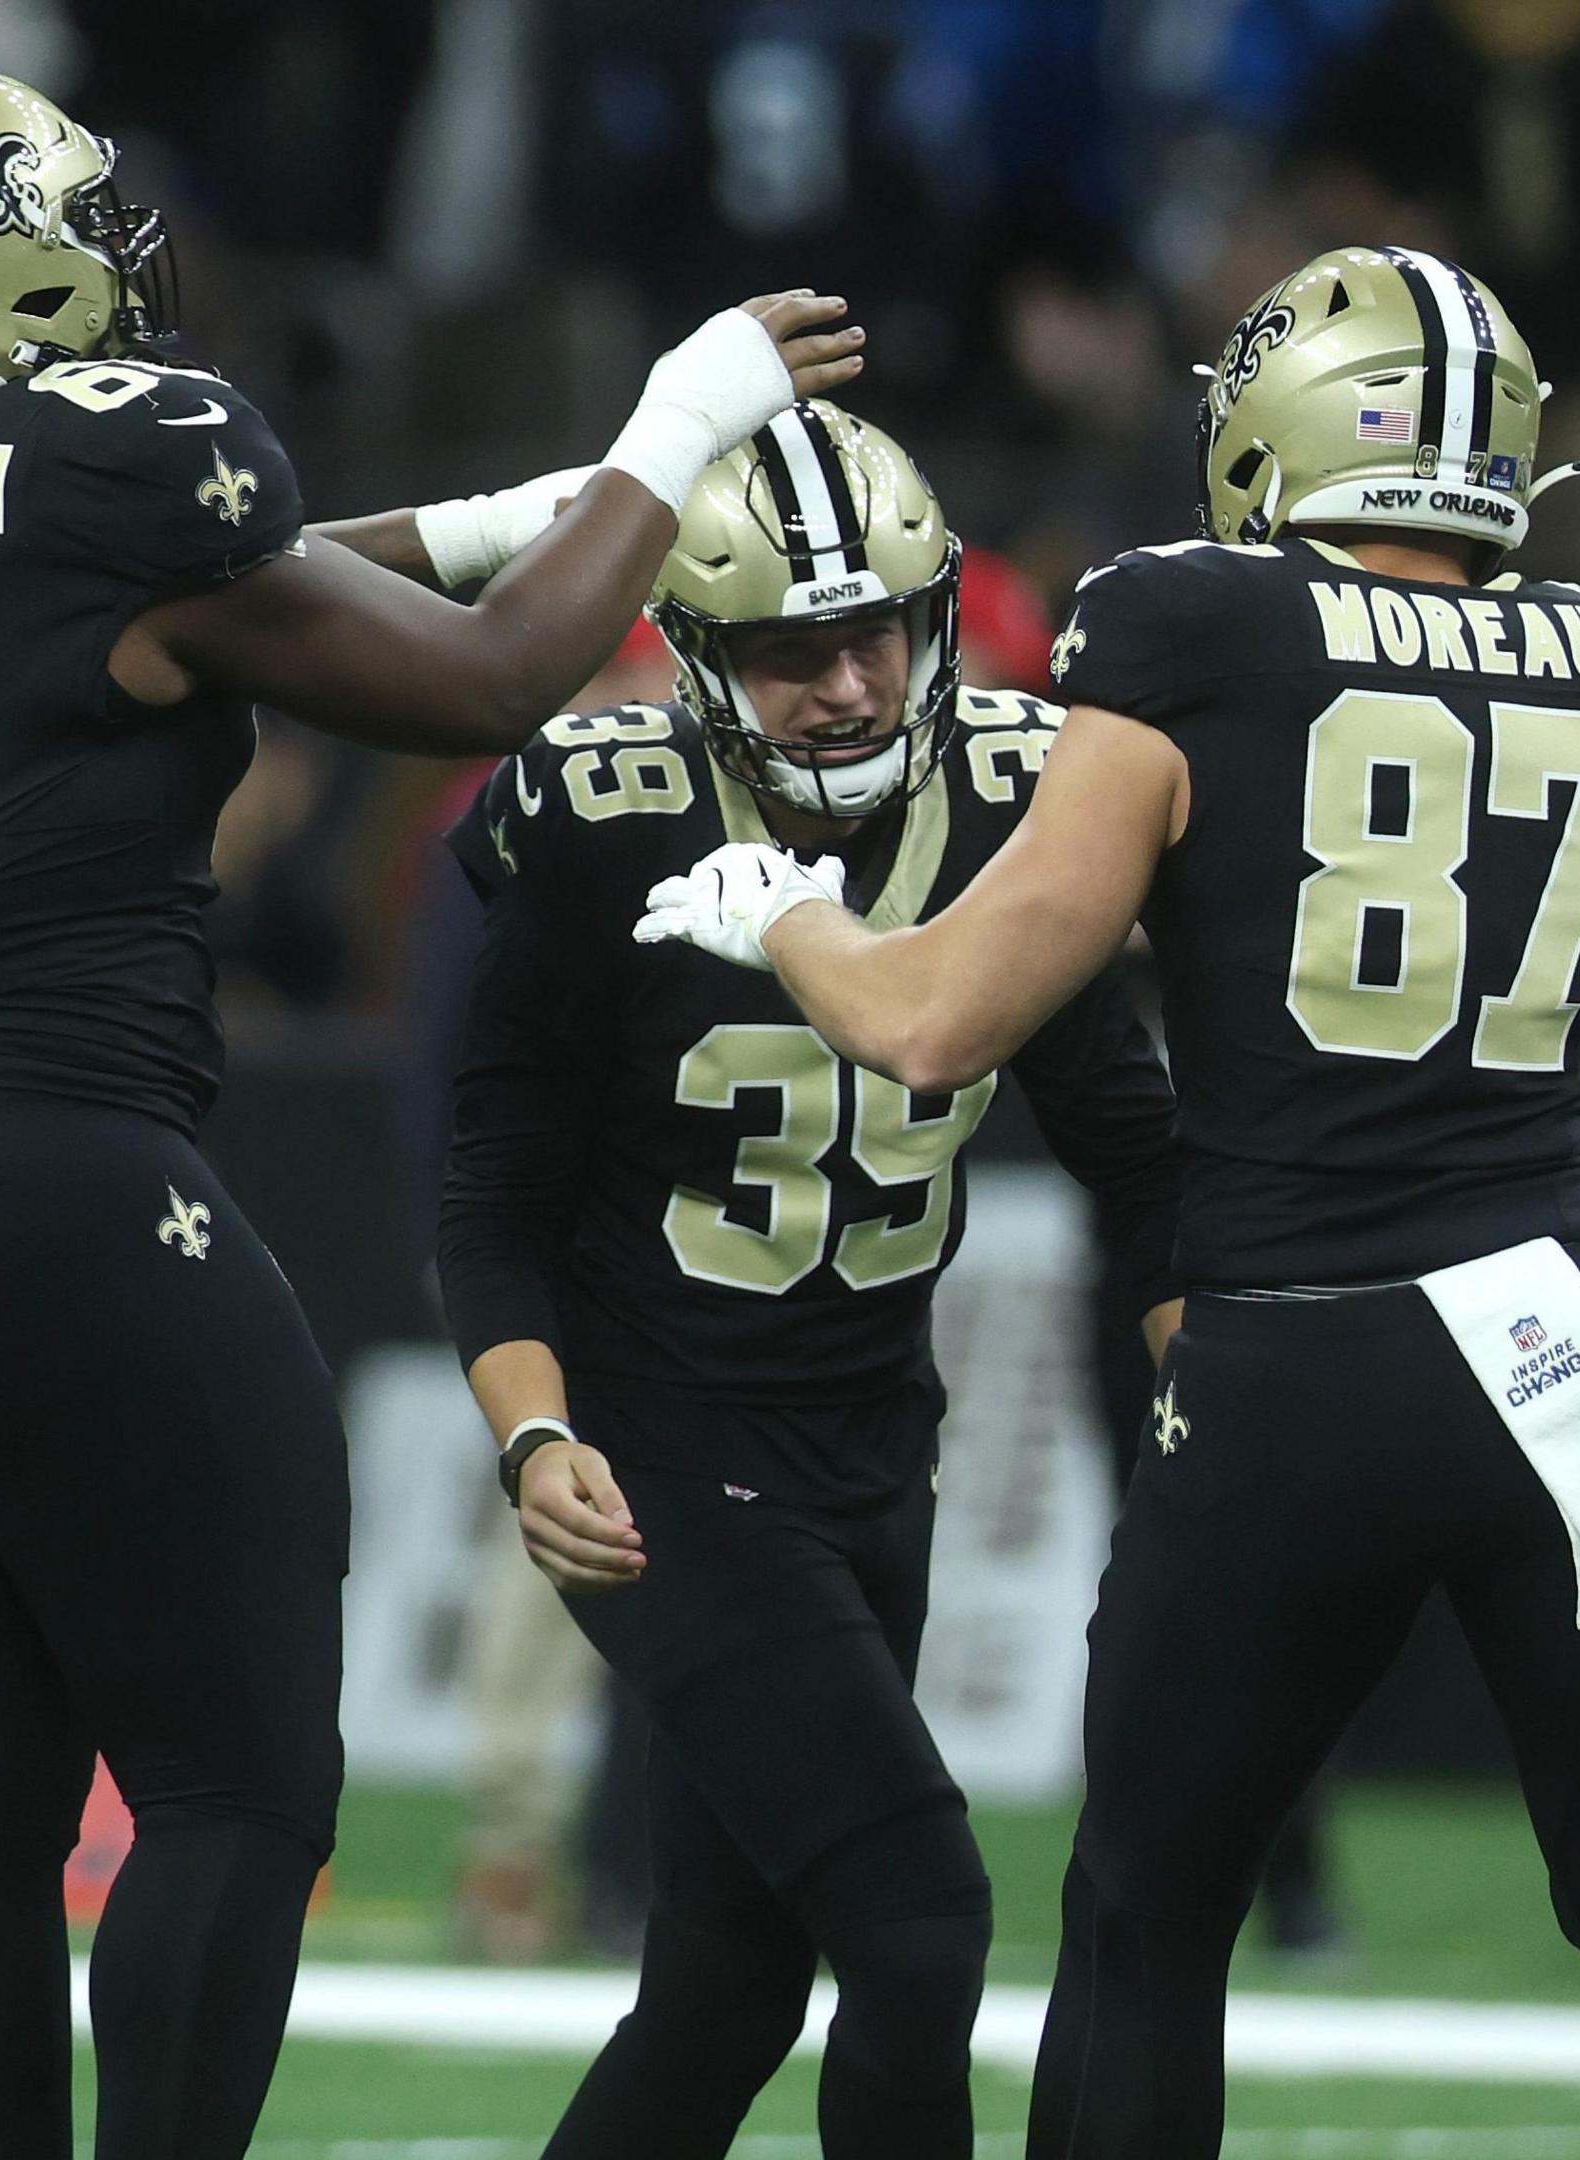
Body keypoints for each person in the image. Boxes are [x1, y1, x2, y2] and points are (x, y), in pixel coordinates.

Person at [0, 64, 859, 2159]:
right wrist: (672, 434)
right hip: (45, 1170)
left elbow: (168, 591)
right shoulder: (135, 460)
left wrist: (529, 509)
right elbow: (494, 681)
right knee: (238, 1793)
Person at [635, 247, 1580, 2160]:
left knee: (1148, 1921)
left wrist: (781, 913)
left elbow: (936, 1025)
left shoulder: (1190, 626)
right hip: (1562, 1342)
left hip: (1299, 1354)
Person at [434, 401, 1183, 2159]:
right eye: (787, 651)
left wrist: (1203, 1390)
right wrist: (536, 1438)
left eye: (875, 634)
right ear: (694, 655)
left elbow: (1139, 1158)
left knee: (723, 1991)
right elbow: (492, 1193)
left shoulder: (1020, 786)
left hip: (872, 1444)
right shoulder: (599, 814)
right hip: (669, 1456)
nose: (845, 685)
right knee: (920, 1929)